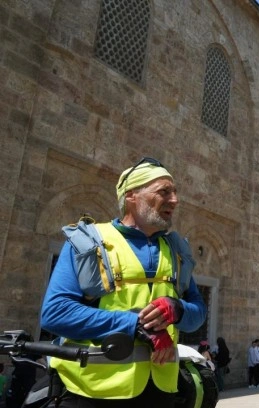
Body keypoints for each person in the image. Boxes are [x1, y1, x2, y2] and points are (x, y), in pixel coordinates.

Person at [40, 157, 207, 407]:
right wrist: (135, 324)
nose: (175, 200)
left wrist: (178, 309)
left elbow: (199, 314)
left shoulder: (175, 251)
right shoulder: (89, 241)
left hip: (160, 392)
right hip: (90, 392)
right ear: (132, 196)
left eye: (174, 192)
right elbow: (55, 314)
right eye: (164, 191)